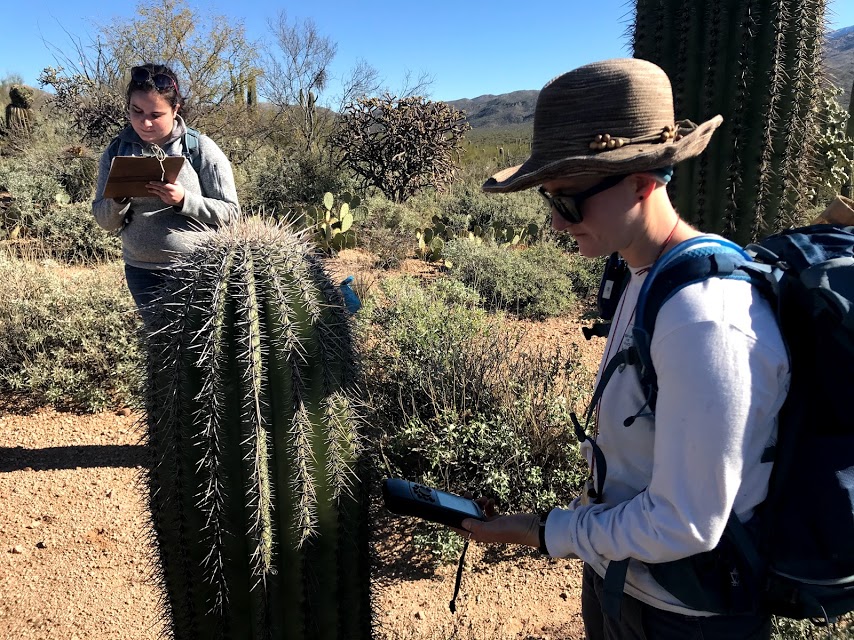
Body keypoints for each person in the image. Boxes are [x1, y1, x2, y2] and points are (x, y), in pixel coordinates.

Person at [460, 58, 790, 639]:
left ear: (642, 180)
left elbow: (686, 522)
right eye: (550, 203)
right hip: (627, 586)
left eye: (568, 201)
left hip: (686, 616)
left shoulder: (702, 318)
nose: (559, 225)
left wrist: (547, 532)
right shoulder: (643, 272)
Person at [92, 63, 240, 324]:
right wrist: (118, 199)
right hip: (141, 272)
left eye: (156, 114)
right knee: (165, 356)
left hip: (197, 270)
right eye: (136, 111)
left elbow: (231, 213)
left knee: (200, 353)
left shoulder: (199, 148)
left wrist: (184, 200)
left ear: (175, 110)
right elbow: (105, 221)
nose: (145, 122)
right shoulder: (116, 150)